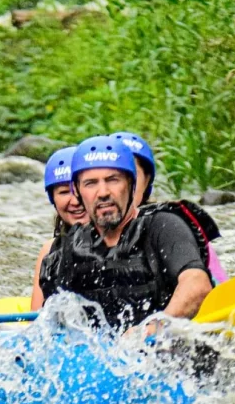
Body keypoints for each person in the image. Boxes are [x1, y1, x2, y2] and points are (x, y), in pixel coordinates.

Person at [39, 136, 213, 333]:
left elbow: (197, 284)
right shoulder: (68, 248)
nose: (103, 192)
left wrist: (150, 330)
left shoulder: (163, 225)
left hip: (162, 349)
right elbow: (46, 325)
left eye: (113, 180)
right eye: (91, 183)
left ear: (131, 184)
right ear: (78, 191)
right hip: (102, 356)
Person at [110, 131, 228, 285]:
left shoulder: (174, 225)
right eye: (114, 176)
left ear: (146, 182)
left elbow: (219, 287)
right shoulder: (84, 234)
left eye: (132, 174)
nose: (123, 185)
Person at [30, 146, 89, 311]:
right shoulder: (49, 250)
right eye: (64, 192)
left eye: (80, 190)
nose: (75, 201)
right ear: (53, 200)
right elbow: (34, 321)